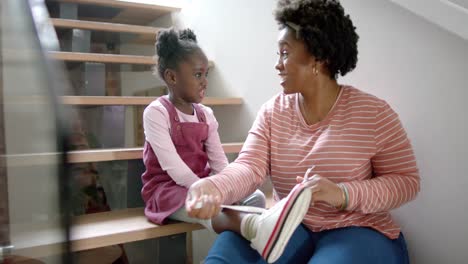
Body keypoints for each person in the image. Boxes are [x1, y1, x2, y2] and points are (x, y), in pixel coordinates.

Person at [185, 0, 421, 263]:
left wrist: (342, 193)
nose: (277, 64)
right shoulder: (272, 112)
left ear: (319, 58)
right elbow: (249, 167)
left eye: (285, 53)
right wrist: (213, 187)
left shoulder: (373, 113)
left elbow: (406, 181)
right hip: (288, 228)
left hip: (358, 229)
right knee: (228, 247)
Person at [141, 28, 269, 232]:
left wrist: (227, 187)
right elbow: (174, 168)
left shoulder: (206, 114)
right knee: (206, 205)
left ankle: (251, 233)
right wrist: (208, 191)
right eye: (198, 74)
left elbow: (219, 162)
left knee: (256, 196)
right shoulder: (156, 113)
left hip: (204, 182)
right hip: (168, 189)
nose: (205, 81)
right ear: (172, 77)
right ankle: (253, 228)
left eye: (206, 74)